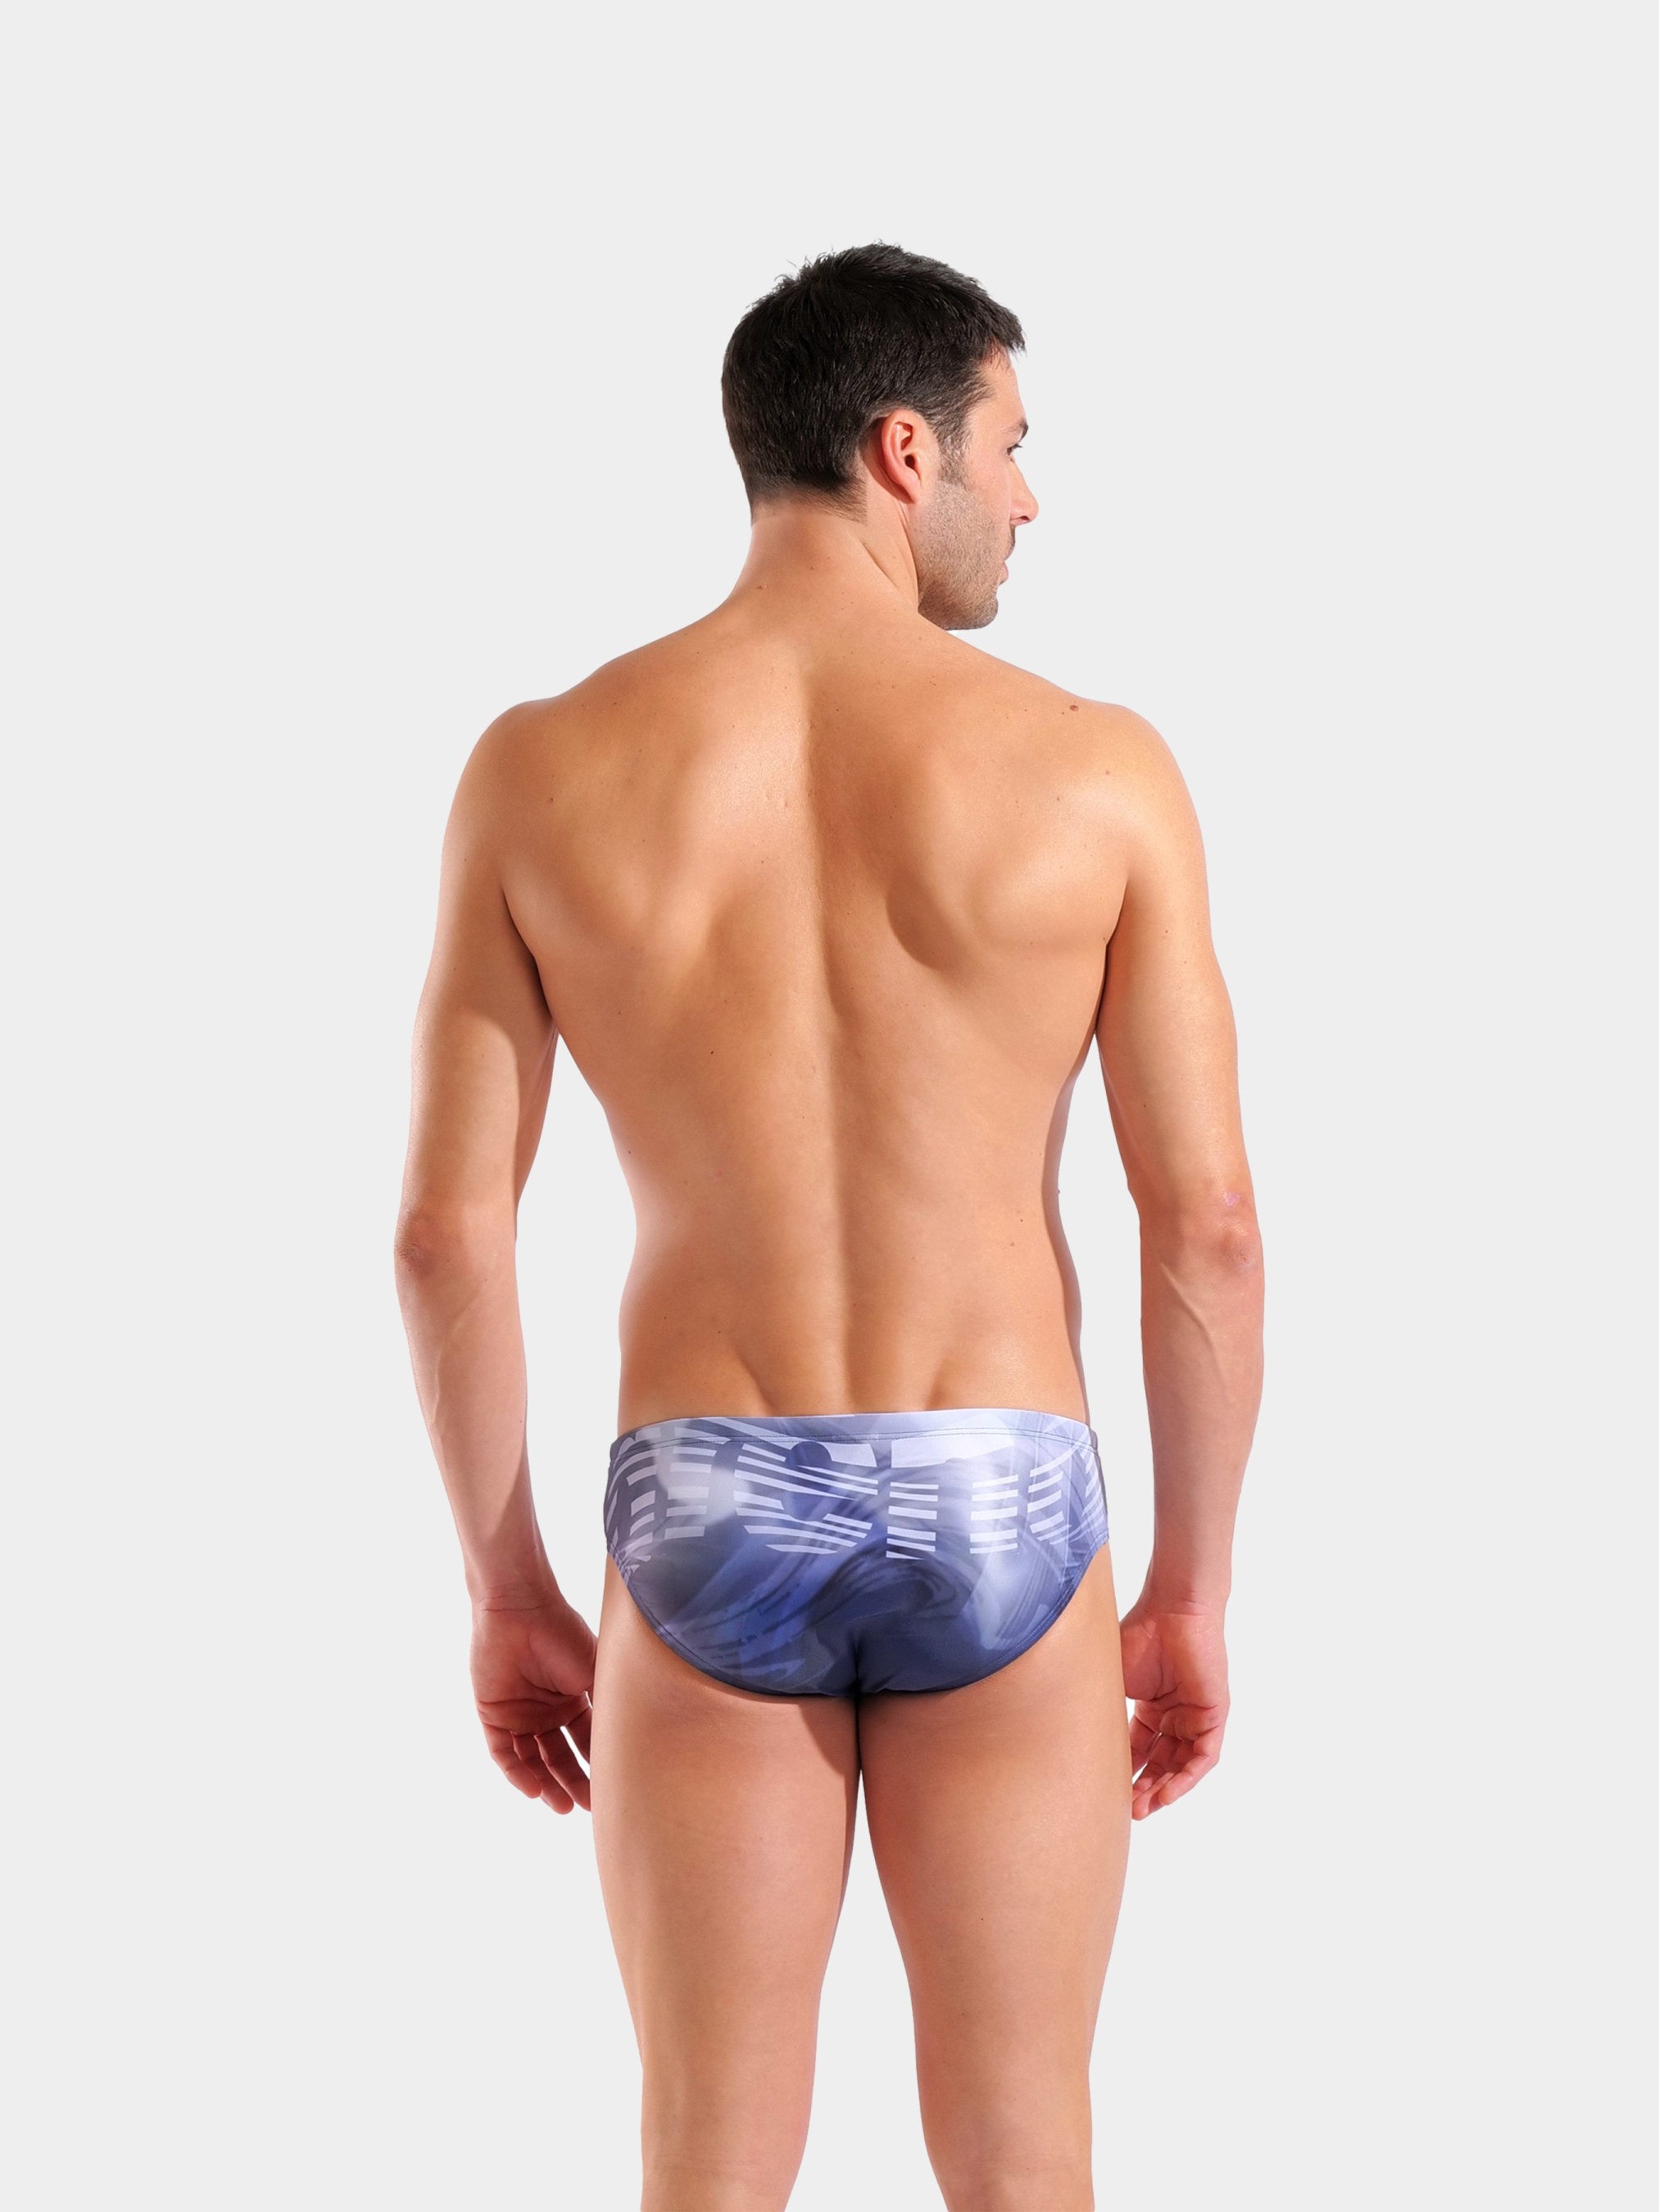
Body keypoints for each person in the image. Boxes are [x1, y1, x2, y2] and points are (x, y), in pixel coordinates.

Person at [395, 243, 1263, 2212]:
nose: (1028, 498)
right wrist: (1190, 1588)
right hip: (999, 1488)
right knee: (1023, 2152)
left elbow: (445, 1236)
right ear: (902, 450)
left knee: (708, 2159)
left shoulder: (540, 768)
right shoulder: (1096, 768)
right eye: (1010, 446)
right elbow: (1204, 1222)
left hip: (709, 1494)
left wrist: (505, 1586)